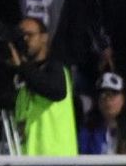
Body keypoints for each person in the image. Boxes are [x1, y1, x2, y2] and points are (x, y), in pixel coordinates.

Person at [9, 16, 78, 156]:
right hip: (28, 157)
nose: (25, 40)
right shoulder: (22, 74)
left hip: (56, 158)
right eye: (20, 36)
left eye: (29, 34)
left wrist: (21, 66)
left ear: (44, 37)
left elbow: (56, 90)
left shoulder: (56, 67)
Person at [79, 71, 126, 155]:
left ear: (123, 99)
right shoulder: (88, 129)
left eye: (113, 94)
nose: (107, 100)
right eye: (102, 95)